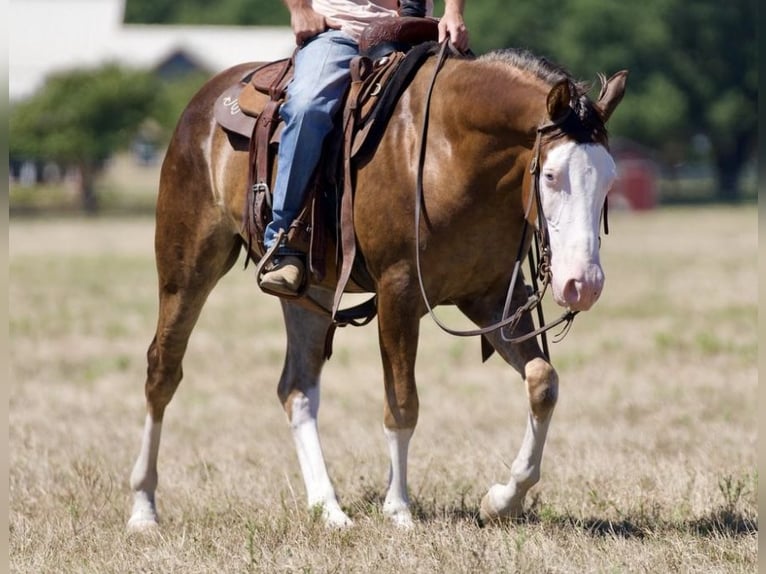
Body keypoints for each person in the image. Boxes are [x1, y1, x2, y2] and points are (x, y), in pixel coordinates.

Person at [259, 0, 469, 295]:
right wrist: (300, 8)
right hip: (344, 30)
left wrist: (453, 11)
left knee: (478, 111)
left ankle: (489, 252)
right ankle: (284, 242)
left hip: (420, 33)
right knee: (308, 107)